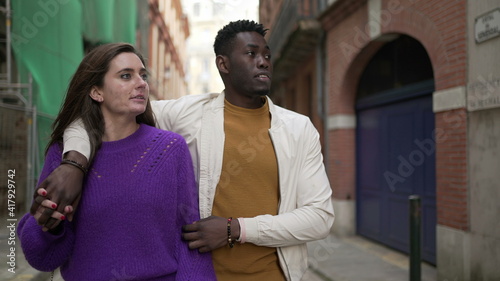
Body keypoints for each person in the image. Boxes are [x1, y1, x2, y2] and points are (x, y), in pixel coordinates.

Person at [33, 20, 335, 281]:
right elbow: (97, 116)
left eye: (266, 55)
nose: (264, 61)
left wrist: (237, 229)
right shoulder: (188, 114)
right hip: (199, 272)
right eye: (252, 54)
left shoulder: (299, 129)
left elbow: (319, 217)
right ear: (223, 64)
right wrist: (74, 164)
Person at [18, 43, 216, 280]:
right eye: (126, 76)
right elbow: (43, 258)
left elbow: (189, 237)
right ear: (96, 92)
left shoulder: (171, 149)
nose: (141, 83)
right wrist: (50, 227)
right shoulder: (64, 154)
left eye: (143, 75)